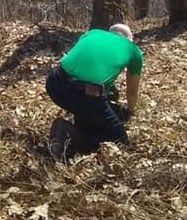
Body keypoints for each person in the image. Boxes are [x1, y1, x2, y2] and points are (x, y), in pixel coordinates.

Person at [45, 23, 143, 161]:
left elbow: (82, 62)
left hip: (54, 81)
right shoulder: (134, 51)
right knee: (120, 140)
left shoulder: (93, 33)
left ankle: (76, 135)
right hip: (84, 93)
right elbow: (132, 92)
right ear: (129, 40)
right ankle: (69, 136)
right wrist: (129, 112)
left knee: (91, 113)